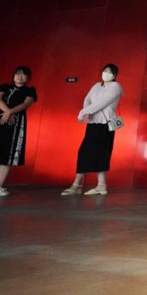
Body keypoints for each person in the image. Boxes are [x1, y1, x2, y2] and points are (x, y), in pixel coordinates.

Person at [61, 64, 123, 196]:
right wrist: (87, 112)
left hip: (105, 123)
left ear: (114, 75)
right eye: (105, 70)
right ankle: (84, 185)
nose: (106, 73)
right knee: (85, 152)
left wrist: (83, 113)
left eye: (110, 71)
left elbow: (102, 102)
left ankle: (94, 185)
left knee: (102, 153)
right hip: (94, 122)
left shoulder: (115, 87)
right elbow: (87, 99)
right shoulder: (96, 85)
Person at [0, 66, 38, 196]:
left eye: (23, 74)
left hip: (15, 123)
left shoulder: (30, 90)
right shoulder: (4, 86)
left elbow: (26, 104)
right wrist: (7, 112)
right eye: (17, 74)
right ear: (13, 76)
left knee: (8, 153)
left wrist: (11, 112)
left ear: (28, 77)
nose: (20, 76)